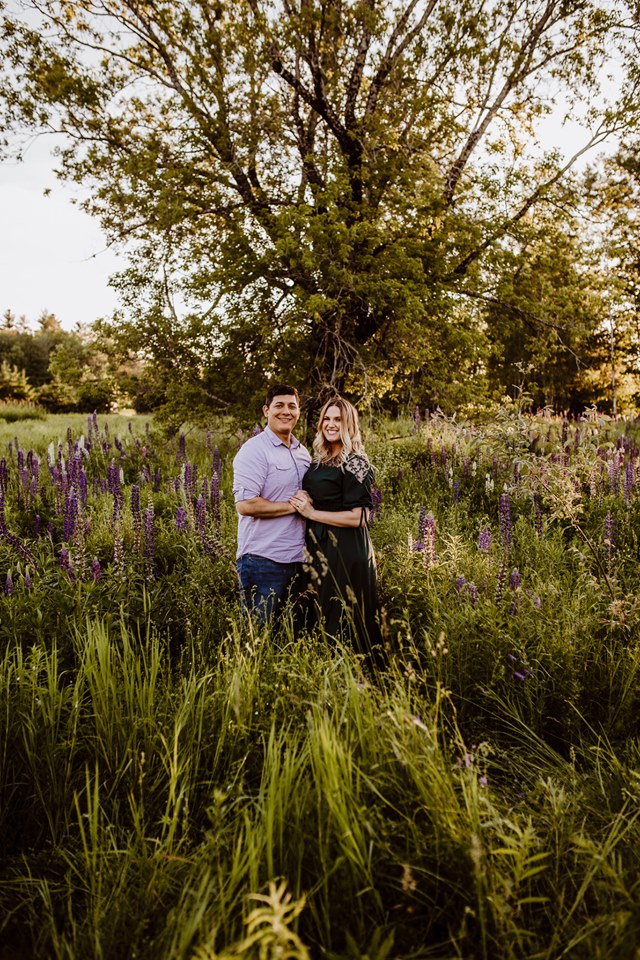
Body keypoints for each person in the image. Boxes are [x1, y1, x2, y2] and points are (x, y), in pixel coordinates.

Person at [289, 396, 382, 658]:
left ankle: (354, 679)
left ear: (348, 424)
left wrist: (312, 512)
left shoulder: (355, 462)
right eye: (327, 419)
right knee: (320, 609)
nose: (330, 425)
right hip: (319, 543)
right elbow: (320, 492)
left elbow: (361, 516)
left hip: (346, 548)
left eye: (337, 419)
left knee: (342, 615)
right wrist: (306, 497)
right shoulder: (321, 458)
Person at [233, 384, 311, 622]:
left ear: (298, 412)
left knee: (292, 640)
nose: (285, 411)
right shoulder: (254, 451)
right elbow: (246, 505)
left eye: (292, 406)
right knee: (258, 640)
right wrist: (294, 507)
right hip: (262, 561)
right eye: (279, 406)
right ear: (266, 411)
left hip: (299, 560)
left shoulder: (303, 453)